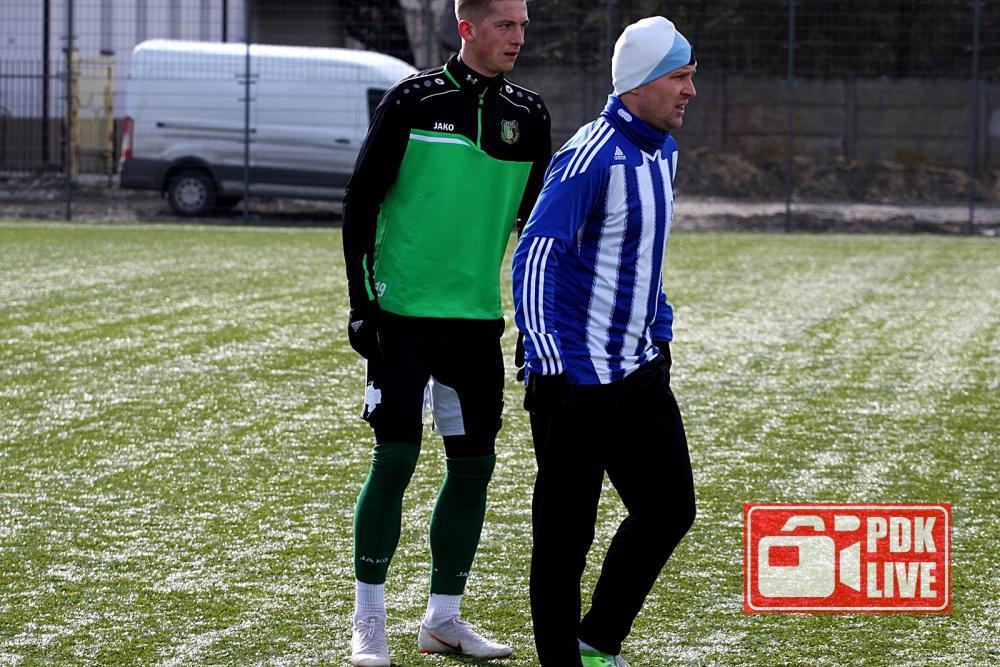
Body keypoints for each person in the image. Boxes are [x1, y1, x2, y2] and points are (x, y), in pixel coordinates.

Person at [341, 0, 551, 664]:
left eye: (522, 25)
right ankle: (369, 619)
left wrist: (535, 323)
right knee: (395, 459)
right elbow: (360, 200)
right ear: (467, 28)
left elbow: (535, 231)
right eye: (505, 25)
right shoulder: (412, 100)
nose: (518, 36)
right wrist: (361, 303)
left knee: (474, 467)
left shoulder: (530, 115)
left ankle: (443, 619)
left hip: (475, 323)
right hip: (401, 316)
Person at [511, 16, 697, 667]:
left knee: (668, 508)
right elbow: (536, 254)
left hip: (638, 370)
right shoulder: (590, 155)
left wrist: (660, 332)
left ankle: (596, 642)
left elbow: (641, 258)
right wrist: (546, 357)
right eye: (680, 77)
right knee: (565, 536)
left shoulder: (663, 151)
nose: (690, 91)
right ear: (641, 83)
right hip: (574, 378)